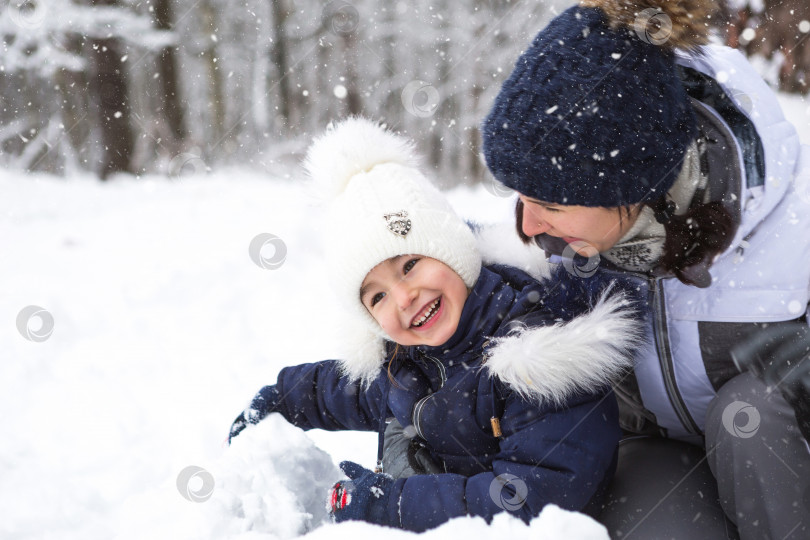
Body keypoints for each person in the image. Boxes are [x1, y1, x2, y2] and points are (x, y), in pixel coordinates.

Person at [480, 0, 810, 538]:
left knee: (749, 417)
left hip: (786, 468)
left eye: (553, 204)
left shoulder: (793, 223)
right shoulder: (554, 241)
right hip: (659, 453)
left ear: (635, 190)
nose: (527, 221)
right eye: (520, 195)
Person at [227, 117, 646, 532]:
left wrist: (386, 507)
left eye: (410, 265)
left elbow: (526, 501)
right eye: (377, 296)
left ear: (453, 250)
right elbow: (348, 390)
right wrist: (281, 397)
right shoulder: (412, 358)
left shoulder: (537, 356)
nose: (403, 297)